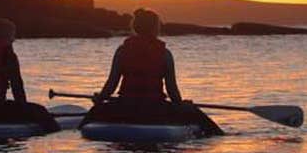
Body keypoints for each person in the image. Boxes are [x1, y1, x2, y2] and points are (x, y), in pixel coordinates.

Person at [81, 8, 223, 136]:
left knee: (95, 111)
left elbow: (111, 85)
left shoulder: (122, 51)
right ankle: (219, 135)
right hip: (155, 109)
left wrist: (100, 99)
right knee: (194, 112)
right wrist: (182, 106)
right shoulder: (165, 54)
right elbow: (172, 91)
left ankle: (78, 130)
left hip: (125, 107)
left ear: (135, 27)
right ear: (155, 28)